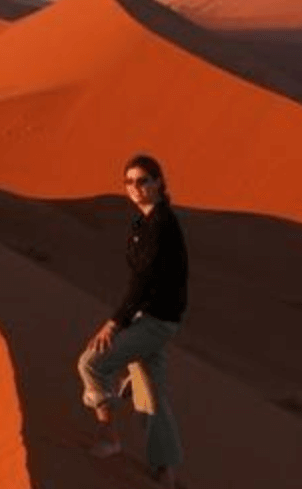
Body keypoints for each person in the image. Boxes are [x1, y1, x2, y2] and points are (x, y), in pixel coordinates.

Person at [77, 154, 188, 488]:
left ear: (159, 183)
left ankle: (109, 437)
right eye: (129, 182)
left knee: (92, 363)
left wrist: (114, 323)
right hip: (148, 317)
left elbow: (144, 280)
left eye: (143, 181)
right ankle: (166, 471)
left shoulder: (161, 224)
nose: (135, 188)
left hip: (155, 320)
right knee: (152, 394)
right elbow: (139, 277)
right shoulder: (143, 223)